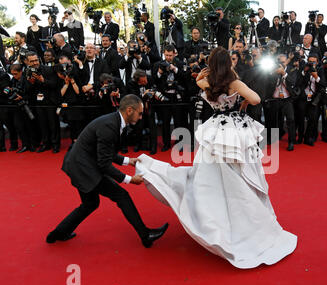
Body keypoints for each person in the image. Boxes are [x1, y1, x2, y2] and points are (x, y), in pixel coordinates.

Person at [135, 47, 297, 269]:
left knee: (210, 175)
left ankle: (215, 216)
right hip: (234, 129)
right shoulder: (234, 83)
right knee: (240, 173)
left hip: (215, 129)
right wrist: (242, 102)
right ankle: (245, 218)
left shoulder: (206, 82)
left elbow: (200, 80)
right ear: (228, 63)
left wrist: (206, 73)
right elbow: (257, 99)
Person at [46, 94, 169, 247]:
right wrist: (129, 179)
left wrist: (127, 161)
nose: (141, 116)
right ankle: (146, 235)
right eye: (139, 112)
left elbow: (106, 153)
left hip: (82, 163)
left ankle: (57, 234)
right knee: (121, 195)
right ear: (130, 110)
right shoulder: (110, 126)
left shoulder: (114, 121)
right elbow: (104, 163)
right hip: (83, 167)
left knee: (90, 204)